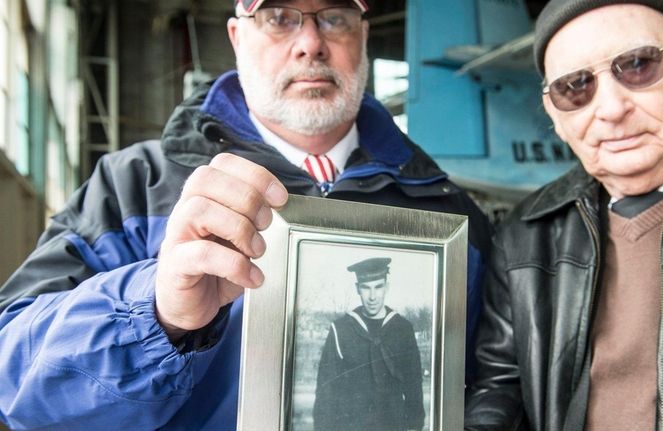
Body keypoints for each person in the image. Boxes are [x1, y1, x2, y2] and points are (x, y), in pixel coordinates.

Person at [0, 0, 493, 429]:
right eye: (279, 18)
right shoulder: (134, 187)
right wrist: (156, 311)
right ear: (238, 37)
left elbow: (490, 386)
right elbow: (12, 379)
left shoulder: (450, 217)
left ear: (362, 35)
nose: (311, 44)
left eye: (336, 18)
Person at [464, 0, 663, 430]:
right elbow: (502, 386)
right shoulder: (525, 233)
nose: (610, 108)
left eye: (639, 65)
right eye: (574, 87)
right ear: (554, 114)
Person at [313, 257, 424, 431]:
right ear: (358, 289)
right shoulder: (341, 330)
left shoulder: (403, 329)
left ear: (386, 287)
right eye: (366, 288)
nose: (372, 296)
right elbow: (325, 392)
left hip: (393, 424)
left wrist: (415, 426)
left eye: (378, 287)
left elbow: (414, 386)